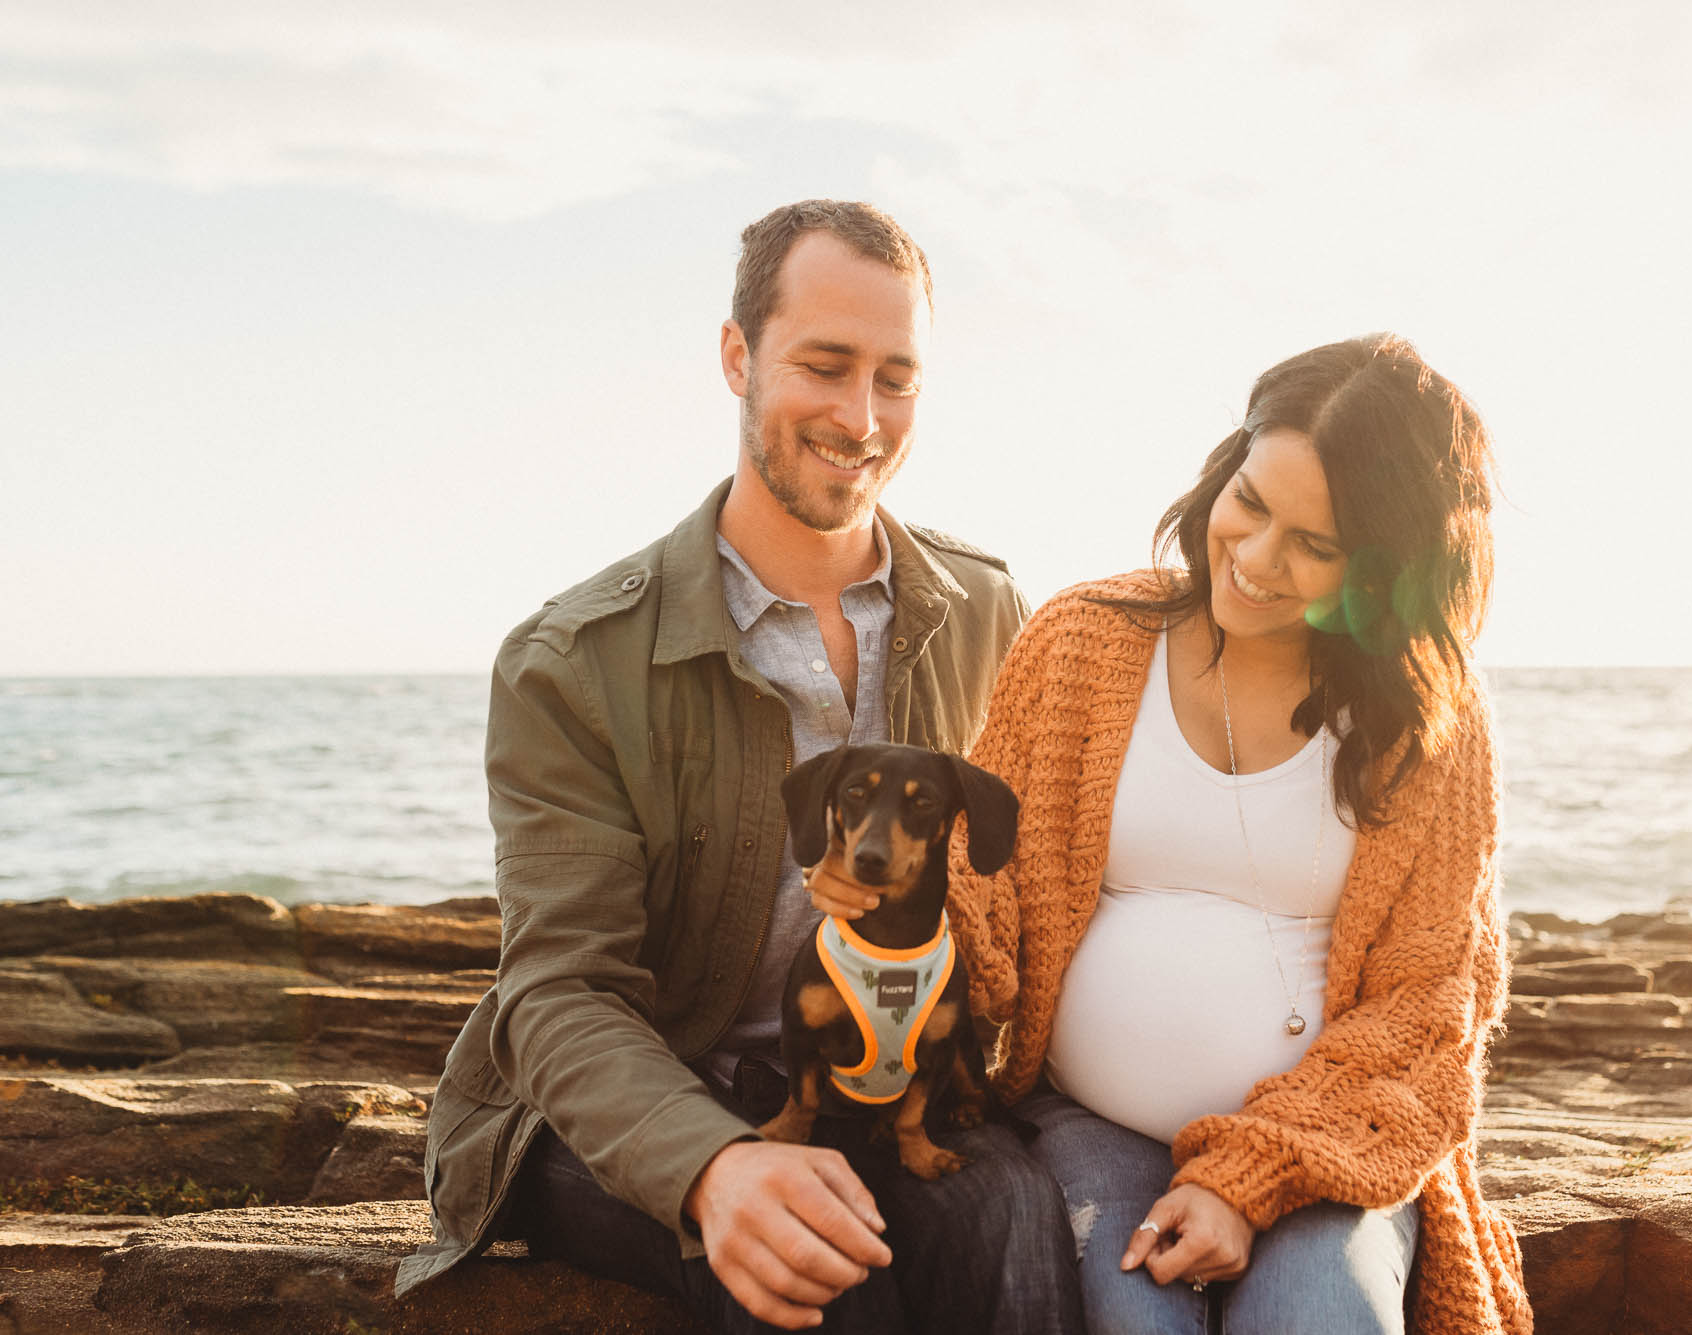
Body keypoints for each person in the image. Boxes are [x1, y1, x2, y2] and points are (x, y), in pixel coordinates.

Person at [396, 199, 1085, 1335]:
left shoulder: (988, 615)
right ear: (736, 357)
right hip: (644, 1098)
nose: (861, 416)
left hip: (889, 1078)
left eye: (896, 377)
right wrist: (713, 1166)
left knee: (1013, 1221)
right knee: (820, 1274)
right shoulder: (572, 660)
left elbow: (1051, 884)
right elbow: (560, 992)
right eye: (824, 365)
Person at [815, 335, 1533, 1334]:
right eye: (1250, 502)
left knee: (1323, 1322)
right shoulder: (1083, 641)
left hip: (1324, 1145)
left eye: (1315, 548)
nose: (1254, 559)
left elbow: (1430, 1001)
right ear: (1222, 468)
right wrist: (895, 911)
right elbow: (988, 884)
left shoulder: (1423, 722)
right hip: (1088, 1126)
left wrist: (1247, 1179)